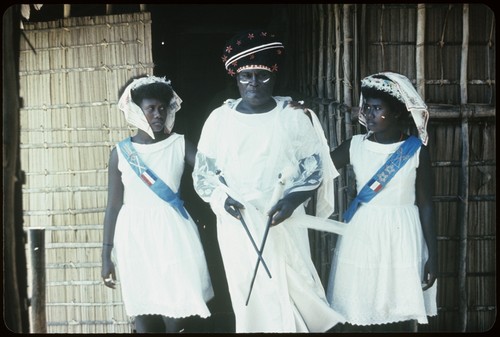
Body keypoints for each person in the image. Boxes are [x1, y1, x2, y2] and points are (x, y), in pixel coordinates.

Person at [192, 29, 345, 333]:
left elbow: (313, 168)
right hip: (239, 221)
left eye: (261, 77)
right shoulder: (220, 119)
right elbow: (204, 173)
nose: (253, 84)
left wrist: (290, 201)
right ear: (235, 78)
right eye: (246, 76)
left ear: (273, 77)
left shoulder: (292, 116)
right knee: (250, 292)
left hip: (282, 216)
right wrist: (224, 202)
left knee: (296, 283)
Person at [101, 75, 214, 333]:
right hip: (133, 236)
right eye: (150, 108)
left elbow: (213, 172)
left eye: (162, 108)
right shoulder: (120, 153)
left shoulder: (179, 144)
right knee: (142, 308)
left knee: (175, 309)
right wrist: (105, 255)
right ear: (136, 111)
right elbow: (113, 206)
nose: (158, 114)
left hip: (172, 232)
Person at [326, 72, 438, 332]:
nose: (369, 113)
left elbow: (427, 205)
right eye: (367, 107)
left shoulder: (416, 151)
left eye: (377, 108)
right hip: (363, 233)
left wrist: (434, 256)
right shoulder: (353, 146)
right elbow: (318, 168)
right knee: (357, 307)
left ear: (397, 112)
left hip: (403, 236)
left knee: (397, 311)